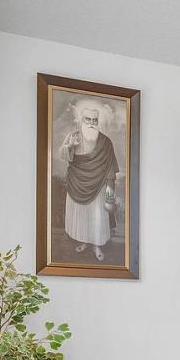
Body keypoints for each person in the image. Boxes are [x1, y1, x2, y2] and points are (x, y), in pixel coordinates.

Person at [60, 98, 123, 261]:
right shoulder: (73, 136)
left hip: (99, 187)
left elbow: (110, 169)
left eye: (95, 120)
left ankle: (97, 245)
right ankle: (84, 242)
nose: (92, 123)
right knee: (81, 218)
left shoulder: (106, 142)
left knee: (97, 217)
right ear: (82, 120)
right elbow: (62, 154)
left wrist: (109, 193)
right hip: (76, 185)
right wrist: (70, 146)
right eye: (88, 119)